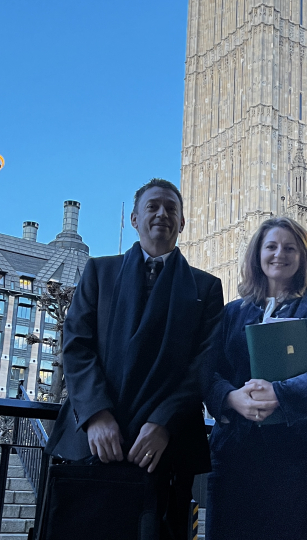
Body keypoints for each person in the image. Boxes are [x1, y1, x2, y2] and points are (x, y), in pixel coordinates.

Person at [45, 178, 223, 539]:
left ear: (183, 222)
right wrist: (96, 414)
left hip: (165, 449)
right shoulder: (99, 271)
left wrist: (162, 423)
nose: (162, 214)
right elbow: (77, 346)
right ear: (134, 219)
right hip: (96, 444)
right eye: (153, 207)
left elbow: (204, 364)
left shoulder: (206, 288)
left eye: (171, 209)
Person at [205, 217, 307, 540]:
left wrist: (280, 394)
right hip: (236, 456)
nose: (279, 254)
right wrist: (232, 398)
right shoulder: (232, 312)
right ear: (257, 255)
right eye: (271, 246)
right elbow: (208, 372)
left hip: (303, 459)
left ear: (303, 256)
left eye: (290, 248)